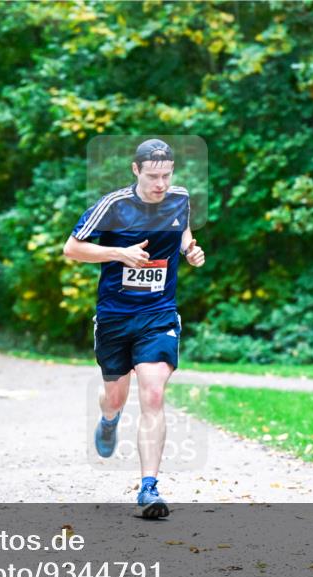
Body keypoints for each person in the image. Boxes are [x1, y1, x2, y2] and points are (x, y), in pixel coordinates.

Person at [62, 139, 206, 518]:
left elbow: (183, 230)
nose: (161, 183)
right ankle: (109, 421)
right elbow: (71, 248)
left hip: (159, 313)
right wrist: (118, 253)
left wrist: (190, 249)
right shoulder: (113, 206)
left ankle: (149, 488)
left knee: (154, 394)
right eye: (153, 176)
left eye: (167, 175)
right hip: (115, 316)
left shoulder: (179, 198)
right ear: (135, 171)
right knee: (114, 397)